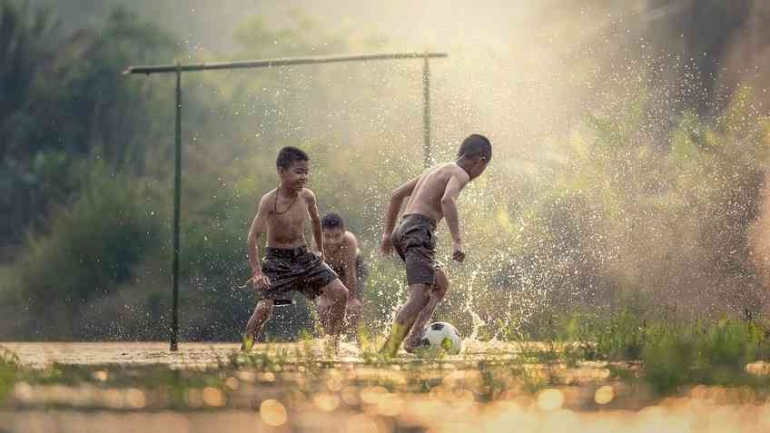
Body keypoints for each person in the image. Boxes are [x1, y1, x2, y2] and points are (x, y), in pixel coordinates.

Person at [379, 134, 492, 357]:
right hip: (419, 230)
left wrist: (387, 233)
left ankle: (413, 340)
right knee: (419, 297)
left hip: (403, 229)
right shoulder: (460, 174)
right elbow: (447, 200)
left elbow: (396, 195)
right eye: (483, 168)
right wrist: (457, 241)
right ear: (480, 161)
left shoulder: (437, 169)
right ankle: (385, 353)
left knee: (440, 284)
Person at [241, 146, 349, 351]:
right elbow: (253, 237)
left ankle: (333, 347)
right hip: (277, 260)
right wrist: (257, 272)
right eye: (298, 171)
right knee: (264, 309)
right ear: (281, 171)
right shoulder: (269, 201)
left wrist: (320, 252)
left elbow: (317, 222)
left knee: (341, 293)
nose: (304, 177)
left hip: (304, 256)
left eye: (306, 172)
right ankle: (244, 353)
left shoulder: (307, 196)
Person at [321, 212, 369, 338]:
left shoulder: (349, 241)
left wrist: (351, 299)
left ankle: (356, 338)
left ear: (344, 232)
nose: (332, 241)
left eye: (337, 236)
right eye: (327, 236)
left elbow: (350, 272)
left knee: (353, 307)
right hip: (329, 269)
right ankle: (330, 338)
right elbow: (319, 275)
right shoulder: (317, 243)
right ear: (321, 234)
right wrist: (324, 298)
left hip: (355, 267)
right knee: (325, 307)